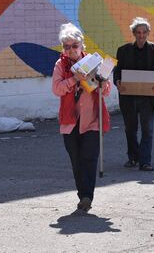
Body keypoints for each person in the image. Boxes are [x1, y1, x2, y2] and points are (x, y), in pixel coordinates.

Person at [52, 23, 111, 213]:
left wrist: (102, 82)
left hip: (92, 119)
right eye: (66, 46)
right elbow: (56, 89)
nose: (70, 50)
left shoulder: (94, 62)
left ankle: (87, 197)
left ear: (82, 46)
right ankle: (82, 193)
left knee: (90, 158)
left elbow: (106, 91)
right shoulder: (60, 65)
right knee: (76, 160)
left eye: (74, 46)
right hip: (70, 122)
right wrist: (74, 79)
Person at [113, 17, 154, 171]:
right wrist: (117, 81)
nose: (141, 35)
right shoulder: (123, 50)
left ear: (148, 33)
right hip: (128, 98)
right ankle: (133, 157)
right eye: (138, 32)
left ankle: (145, 162)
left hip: (148, 98)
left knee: (147, 130)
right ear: (134, 33)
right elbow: (118, 71)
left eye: (144, 32)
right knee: (130, 130)